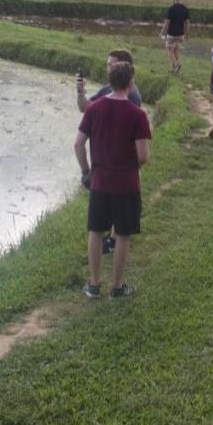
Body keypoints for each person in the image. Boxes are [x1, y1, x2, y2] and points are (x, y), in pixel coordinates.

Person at [75, 61, 151, 299]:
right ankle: (117, 287)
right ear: (130, 83)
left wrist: (87, 171)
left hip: (99, 181)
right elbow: (143, 156)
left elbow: (78, 144)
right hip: (127, 184)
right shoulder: (138, 114)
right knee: (123, 234)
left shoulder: (93, 109)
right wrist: (129, 168)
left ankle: (94, 284)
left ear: (110, 83)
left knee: (96, 231)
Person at [76, 48, 142, 113]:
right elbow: (85, 108)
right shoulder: (108, 88)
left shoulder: (132, 96)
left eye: (111, 65)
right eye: (108, 65)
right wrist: (80, 92)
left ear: (122, 67)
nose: (107, 69)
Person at [160, 0, 190, 74]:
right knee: (176, 50)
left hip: (172, 34)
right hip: (181, 34)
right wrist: (187, 34)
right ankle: (174, 68)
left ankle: (176, 65)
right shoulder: (185, 9)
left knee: (170, 49)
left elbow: (167, 23)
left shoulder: (171, 9)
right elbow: (187, 23)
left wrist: (163, 32)